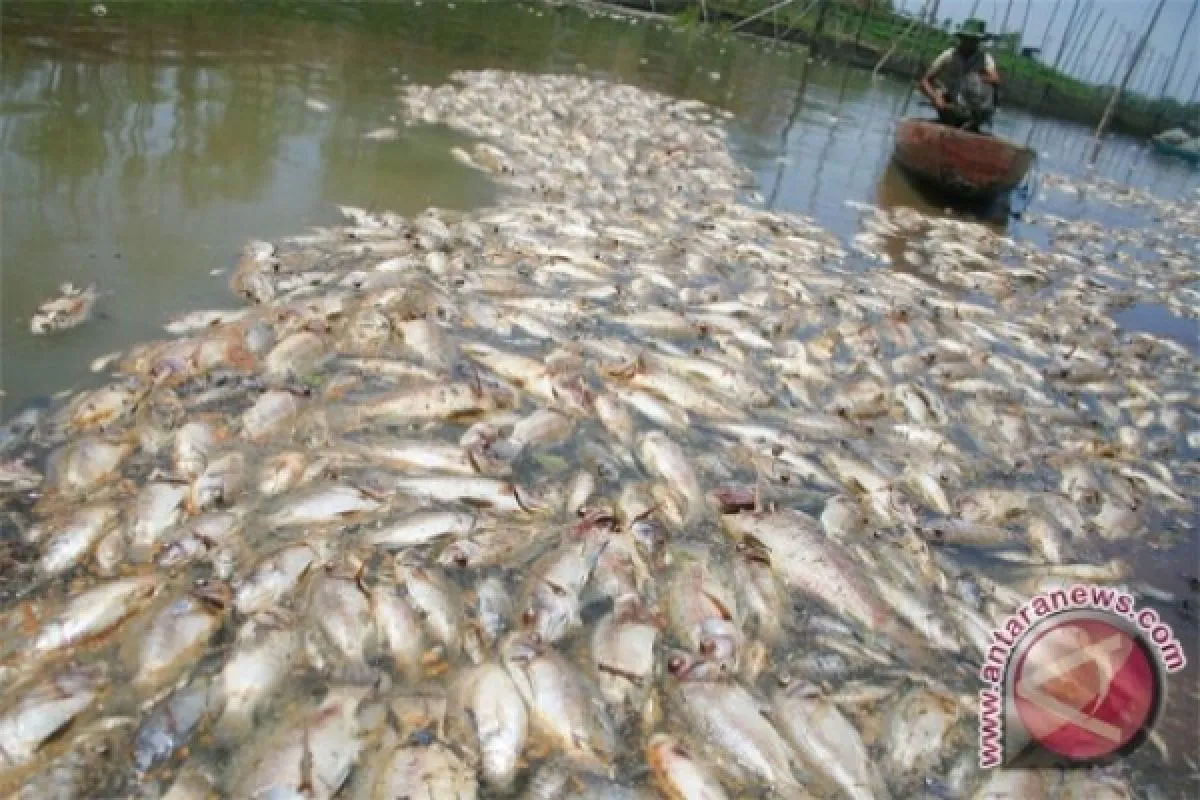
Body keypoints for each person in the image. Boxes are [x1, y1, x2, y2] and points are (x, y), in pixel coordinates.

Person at [920, 19, 1001, 132]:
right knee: (939, 93)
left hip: (973, 106)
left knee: (989, 91)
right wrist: (936, 98)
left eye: (973, 40)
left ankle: (972, 123)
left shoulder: (985, 58)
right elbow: (925, 81)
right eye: (966, 38)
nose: (969, 42)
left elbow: (995, 79)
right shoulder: (949, 54)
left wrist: (975, 79)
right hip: (950, 104)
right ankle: (951, 120)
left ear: (978, 41)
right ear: (961, 38)